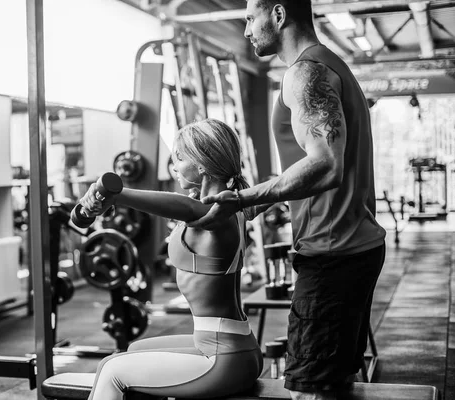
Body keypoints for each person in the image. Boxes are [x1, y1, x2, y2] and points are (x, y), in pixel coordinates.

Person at [187, 1, 387, 399]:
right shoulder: (327, 65)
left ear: (277, 15)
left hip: (333, 253)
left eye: (249, 18)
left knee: (308, 392)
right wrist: (262, 200)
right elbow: (312, 168)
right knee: (334, 385)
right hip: (349, 248)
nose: (245, 30)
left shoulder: (305, 73)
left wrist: (243, 199)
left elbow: (326, 165)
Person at [78, 118, 263, 400]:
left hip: (222, 356)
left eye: (179, 157)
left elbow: (185, 208)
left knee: (111, 371)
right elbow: (182, 207)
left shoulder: (218, 213)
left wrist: (118, 194)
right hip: (230, 344)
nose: (174, 166)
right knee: (131, 351)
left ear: (201, 165)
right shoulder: (232, 206)